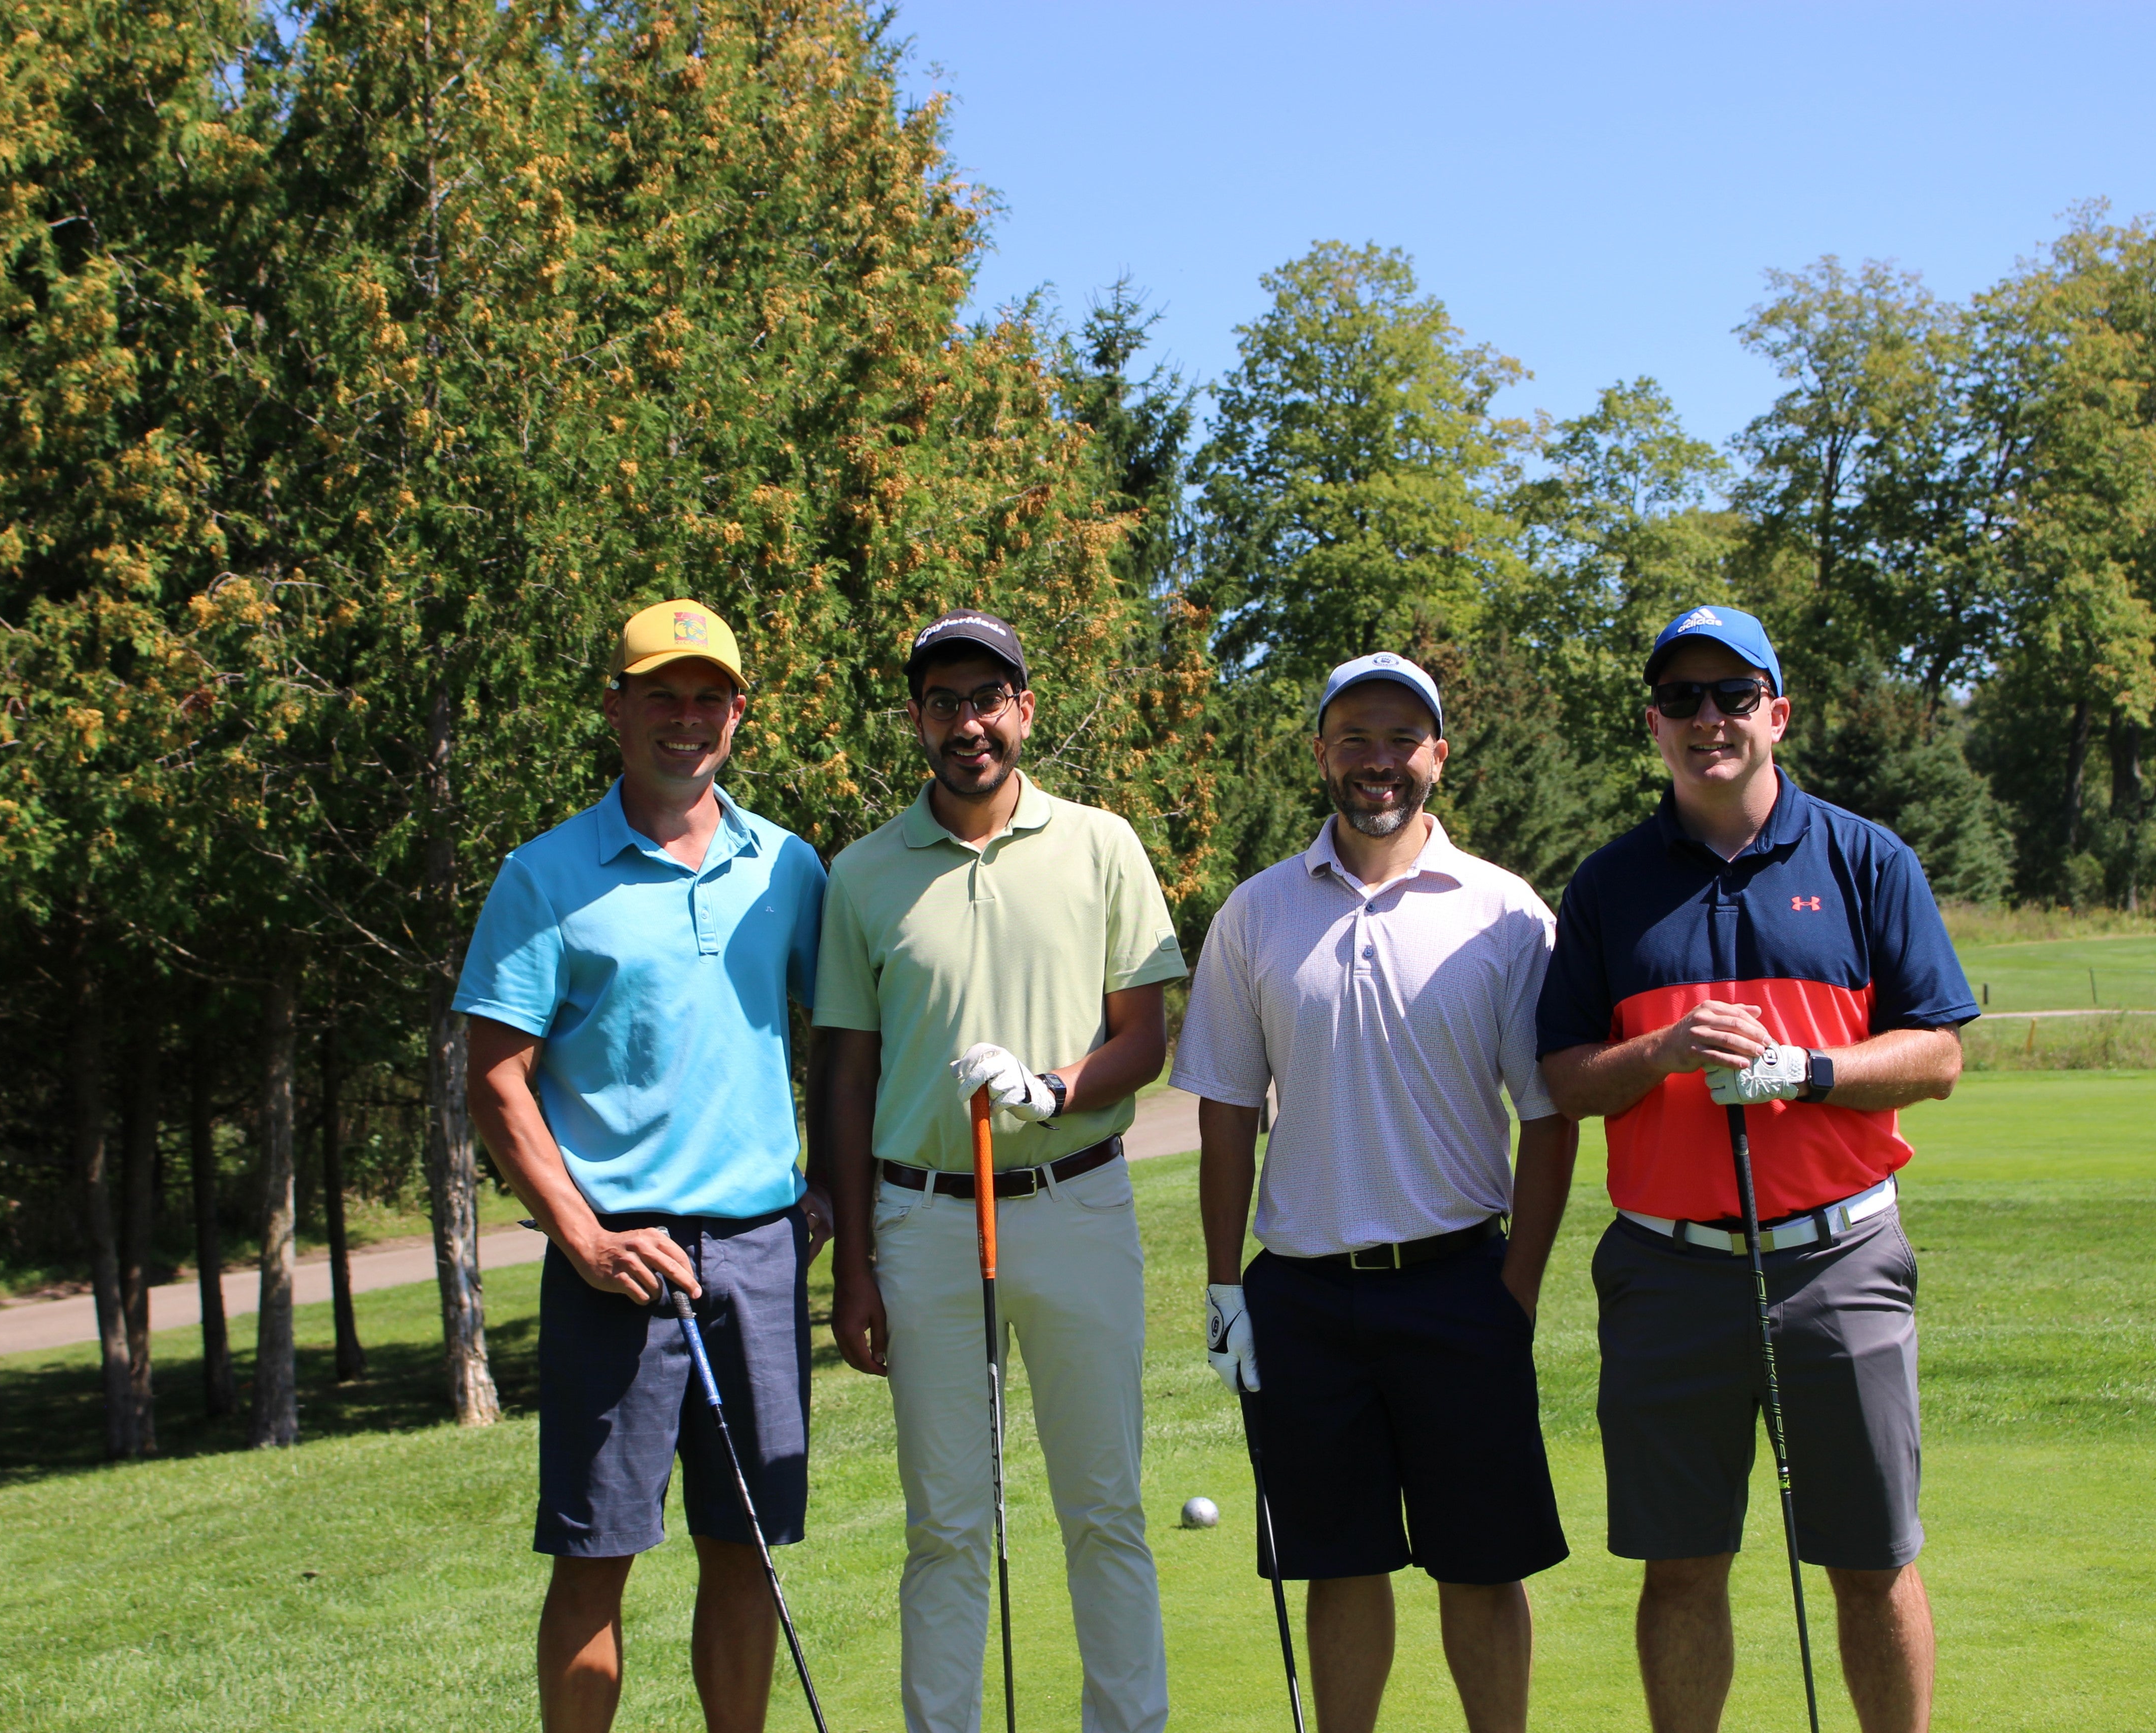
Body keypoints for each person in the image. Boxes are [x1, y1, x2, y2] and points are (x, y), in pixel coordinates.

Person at [1535, 604, 1977, 1733]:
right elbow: (1566, 1079)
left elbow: (1936, 1053)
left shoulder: (1864, 858)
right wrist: (1663, 1050)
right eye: (1682, 700)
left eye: (1734, 697)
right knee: (1680, 1565)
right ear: (1653, 723)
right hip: (1668, 1269)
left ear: (1776, 712)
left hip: (1839, 1257)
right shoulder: (1608, 885)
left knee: (1872, 1558)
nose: (1709, 720)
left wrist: (1806, 1068)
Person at [1172, 651, 1575, 1733]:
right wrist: (1224, 1288)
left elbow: (1547, 1113)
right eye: (1353, 737)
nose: (1378, 760)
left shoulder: (1504, 912)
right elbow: (1222, 1114)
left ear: (1438, 755)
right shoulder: (1256, 914)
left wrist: (1519, 1287)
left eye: (1402, 737)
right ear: (1320, 753)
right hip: (1301, 1296)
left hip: (1459, 1283)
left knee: (1480, 1566)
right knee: (1338, 1566)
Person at [456, 599, 832, 1733]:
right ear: (614, 707)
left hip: (760, 1257)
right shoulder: (544, 873)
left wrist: (825, 1198)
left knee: (745, 1550)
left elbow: (848, 1039)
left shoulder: (789, 867)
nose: (685, 717)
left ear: (738, 711)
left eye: (706, 695)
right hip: (614, 1263)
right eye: (659, 694)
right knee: (594, 1556)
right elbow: (495, 1077)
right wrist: (579, 1233)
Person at [814, 608, 1185, 1733]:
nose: (966, 722)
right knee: (946, 1521)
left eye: (986, 698)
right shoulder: (862, 873)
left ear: (1023, 708)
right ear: (917, 720)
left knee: (1103, 1504)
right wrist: (853, 1269)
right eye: (942, 701)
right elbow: (841, 1075)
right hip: (922, 1221)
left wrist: (1053, 1086)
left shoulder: (1101, 841)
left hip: (1074, 1200)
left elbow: (1145, 1035)